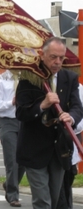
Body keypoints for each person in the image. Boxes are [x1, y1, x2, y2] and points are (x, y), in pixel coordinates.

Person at [15, 37, 83, 209]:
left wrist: (71, 117)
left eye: (61, 58)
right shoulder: (28, 78)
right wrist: (42, 105)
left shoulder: (70, 78)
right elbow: (21, 112)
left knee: (53, 200)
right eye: (53, 57)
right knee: (42, 202)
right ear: (42, 55)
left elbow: (77, 107)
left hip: (60, 150)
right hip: (34, 149)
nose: (58, 62)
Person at [0, 69, 25, 207]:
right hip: (7, 121)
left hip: (24, 121)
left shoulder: (26, 78)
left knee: (24, 160)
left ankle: (10, 183)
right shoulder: (0, 80)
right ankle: (13, 195)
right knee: (12, 160)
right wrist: (12, 102)